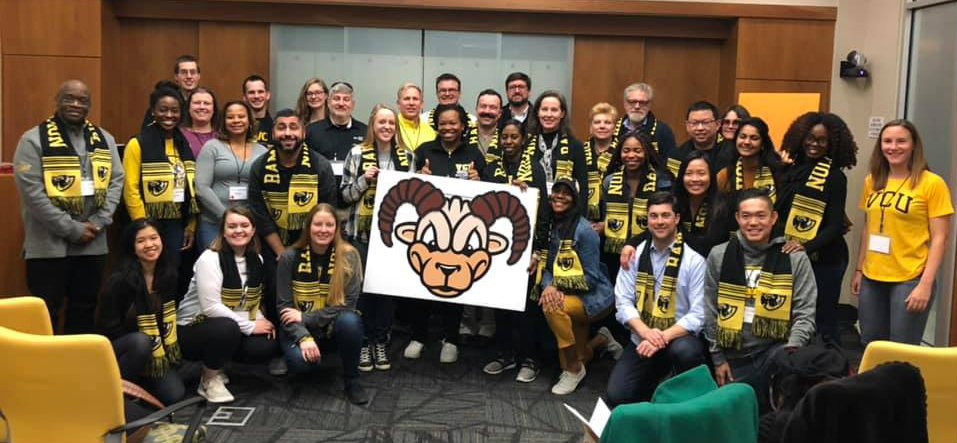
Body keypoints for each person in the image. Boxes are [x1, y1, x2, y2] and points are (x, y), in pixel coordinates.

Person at [14, 79, 124, 333]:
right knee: (45, 314)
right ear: (57, 101)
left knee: (84, 310)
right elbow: (33, 195)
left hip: (93, 243)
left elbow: (116, 181)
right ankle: (45, 372)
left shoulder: (104, 139)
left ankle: (75, 369)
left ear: (89, 105)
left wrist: (98, 221)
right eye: (69, 98)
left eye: (82, 100)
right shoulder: (33, 140)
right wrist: (72, 229)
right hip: (48, 246)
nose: (76, 104)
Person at [704, 189, 816, 413]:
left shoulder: (794, 256)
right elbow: (710, 311)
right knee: (735, 414)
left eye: (760, 215)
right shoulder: (719, 254)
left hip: (775, 351)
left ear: (773, 218)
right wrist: (718, 359)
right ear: (737, 219)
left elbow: (805, 314)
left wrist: (789, 356)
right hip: (733, 354)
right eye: (746, 216)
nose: (753, 222)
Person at [851, 119, 953, 345]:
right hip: (872, 277)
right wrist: (859, 269)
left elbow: (940, 238)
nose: (893, 147)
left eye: (901, 141)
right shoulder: (872, 181)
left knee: (902, 349)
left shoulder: (931, 183)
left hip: (909, 278)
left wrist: (925, 284)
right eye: (887, 141)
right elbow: (868, 227)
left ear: (914, 145)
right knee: (871, 344)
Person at [247, 108, 337, 351]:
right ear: (273, 132)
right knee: (275, 287)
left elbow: (327, 210)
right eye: (281, 127)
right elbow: (259, 213)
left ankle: (316, 337)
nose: (288, 133)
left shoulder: (320, 165)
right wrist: (282, 252)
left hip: (314, 242)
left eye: (293, 127)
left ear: (303, 132)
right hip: (272, 242)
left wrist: (305, 248)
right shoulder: (259, 167)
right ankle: (282, 346)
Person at [606, 192, 707, 406]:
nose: (659, 221)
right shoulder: (634, 255)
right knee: (617, 395)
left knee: (686, 352)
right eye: (653, 216)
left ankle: (677, 388)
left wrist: (661, 337)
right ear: (647, 219)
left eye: (665, 215)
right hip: (642, 338)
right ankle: (657, 380)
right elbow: (622, 302)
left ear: (676, 219)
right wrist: (645, 333)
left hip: (677, 339)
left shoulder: (694, 260)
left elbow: (698, 314)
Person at [405, 103, 488, 364]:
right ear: (436, 125)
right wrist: (418, 176)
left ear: (463, 126)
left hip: (460, 233)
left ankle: (450, 339)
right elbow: (407, 186)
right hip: (428, 231)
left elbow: (488, 192)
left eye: (454, 123)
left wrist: (479, 182)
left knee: (454, 287)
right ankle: (418, 336)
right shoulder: (423, 151)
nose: (448, 128)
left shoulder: (475, 153)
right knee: (420, 287)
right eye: (443, 123)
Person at [177, 206, 281, 402]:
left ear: (252, 230)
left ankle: (217, 363)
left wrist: (261, 321)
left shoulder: (256, 259)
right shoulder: (210, 258)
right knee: (227, 327)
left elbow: (250, 301)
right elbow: (211, 308)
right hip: (192, 327)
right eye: (232, 226)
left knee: (264, 345)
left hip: (227, 325)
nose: (238, 231)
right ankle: (208, 380)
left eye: (244, 225)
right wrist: (251, 326)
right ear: (223, 231)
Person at [340, 104, 414, 372]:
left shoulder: (407, 157)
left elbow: (412, 201)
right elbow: (345, 195)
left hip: (391, 238)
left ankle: (380, 340)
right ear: (373, 125)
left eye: (391, 123)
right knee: (359, 291)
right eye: (381, 122)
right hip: (358, 233)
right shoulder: (357, 153)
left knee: (384, 292)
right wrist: (363, 180)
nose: (386, 127)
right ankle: (361, 343)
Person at [776, 112, 858, 344]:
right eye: (810, 137)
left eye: (822, 140)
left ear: (832, 144)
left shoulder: (834, 177)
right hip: (791, 254)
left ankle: (829, 368)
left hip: (826, 258)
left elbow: (834, 226)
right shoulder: (788, 171)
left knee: (822, 320)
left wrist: (804, 246)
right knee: (791, 316)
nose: (814, 144)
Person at [276, 203, 369, 405]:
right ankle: (308, 355)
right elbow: (284, 307)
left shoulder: (349, 255)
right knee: (301, 365)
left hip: (332, 327)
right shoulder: (289, 257)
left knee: (351, 321)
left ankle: (352, 380)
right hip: (298, 329)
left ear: (336, 228)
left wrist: (306, 316)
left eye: (329, 225)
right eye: (318, 224)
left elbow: (349, 304)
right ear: (308, 227)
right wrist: (303, 336)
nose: (324, 230)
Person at [482, 119, 549, 382]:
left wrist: (539, 250)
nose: (509, 142)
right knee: (502, 305)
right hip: (498, 248)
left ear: (523, 140)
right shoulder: (490, 168)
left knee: (527, 308)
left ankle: (530, 359)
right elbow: (482, 203)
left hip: (527, 247)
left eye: (514, 137)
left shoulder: (535, 169)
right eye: (505, 137)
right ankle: (505, 355)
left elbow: (543, 213)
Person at [539, 178, 616, 395]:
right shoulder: (553, 226)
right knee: (583, 354)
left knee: (552, 307)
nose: (560, 196)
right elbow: (548, 266)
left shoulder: (585, 231)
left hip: (594, 297)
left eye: (567, 193)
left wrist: (556, 287)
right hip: (568, 293)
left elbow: (590, 278)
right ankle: (602, 339)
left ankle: (573, 370)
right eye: (557, 191)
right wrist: (548, 286)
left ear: (575, 200)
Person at [98, 219, 186, 405]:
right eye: (141, 241)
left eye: (154, 238)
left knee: (175, 395)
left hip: (155, 349)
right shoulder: (120, 281)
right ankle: (119, 394)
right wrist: (146, 348)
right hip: (123, 348)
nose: (149, 245)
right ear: (132, 247)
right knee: (140, 342)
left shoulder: (168, 274)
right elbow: (108, 329)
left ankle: (142, 381)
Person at [618, 151, 733, 273]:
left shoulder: (723, 207)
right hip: (675, 268)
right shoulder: (674, 201)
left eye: (701, 173)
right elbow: (657, 227)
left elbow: (709, 247)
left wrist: (679, 233)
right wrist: (631, 243)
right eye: (689, 174)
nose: (695, 179)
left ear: (711, 176)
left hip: (711, 269)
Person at [123, 86, 198, 269]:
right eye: (163, 110)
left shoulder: (184, 144)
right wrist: (143, 226)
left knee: (171, 271)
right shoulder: (137, 143)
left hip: (177, 221)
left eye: (174, 110)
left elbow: (191, 187)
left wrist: (191, 224)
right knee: (146, 271)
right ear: (153, 111)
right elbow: (130, 188)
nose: (169, 115)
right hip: (148, 220)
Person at [195, 101, 268, 248]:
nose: (236, 121)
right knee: (214, 267)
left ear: (249, 121)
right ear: (224, 121)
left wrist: (245, 221)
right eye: (230, 117)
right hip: (214, 223)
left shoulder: (262, 151)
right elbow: (201, 187)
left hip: (249, 226)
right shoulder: (212, 147)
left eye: (241, 116)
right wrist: (226, 217)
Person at [599, 131, 672, 281]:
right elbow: (606, 214)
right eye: (626, 151)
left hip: (651, 247)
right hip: (615, 251)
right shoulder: (609, 181)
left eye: (637, 150)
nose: (631, 155)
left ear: (646, 152)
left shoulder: (661, 181)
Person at [516, 91, 589, 212]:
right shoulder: (525, 143)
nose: (548, 114)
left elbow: (583, 187)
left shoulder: (575, 146)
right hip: (530, 208)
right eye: (544, 109)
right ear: (537, 113)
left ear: (562, 114)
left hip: (564, 212)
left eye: (554, 110)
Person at [717, 117, 782, 203]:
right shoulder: (725, 175)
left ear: (763, 144)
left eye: (754, 138)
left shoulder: (778, 173)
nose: (747, 142)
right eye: (742, 137)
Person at [305, 81, 367, 166]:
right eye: (336, 98)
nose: (341, 103)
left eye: (346, 99)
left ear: (353, 105)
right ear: (328, 103)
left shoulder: (365, 132)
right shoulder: (312, 131)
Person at [668, 101, 732, 176]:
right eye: (694, 123)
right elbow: (674, 185)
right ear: (687, 125)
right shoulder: (676, 156)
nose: (700, 128)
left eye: (706, 122)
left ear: (718, 124)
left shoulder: (732, 152)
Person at [140, 56, 201, 132]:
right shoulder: (162, 102)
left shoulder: (204, 103)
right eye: (184, 72)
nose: (189, 76)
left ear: (198, 76)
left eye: (192, 72)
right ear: (176, 77)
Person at [618, 83, 677, 158]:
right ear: (625, 104)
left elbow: (670, 162)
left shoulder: (663, 131)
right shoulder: (613, 128)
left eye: (642, 103)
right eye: (632, 102)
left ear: (649, 105)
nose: (637, 106)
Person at [583, 103, 620, 221]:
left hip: (615, 216)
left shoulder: (623, 152)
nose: (602, 126)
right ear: (591, 126)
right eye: (597, 122)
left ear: (615, 127)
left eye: (607, 123)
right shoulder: (580, 151)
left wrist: (605, 224)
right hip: (584, 215)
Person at [179, 86, 219, 158]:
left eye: (206, 103)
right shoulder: (179, 135)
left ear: (214, 109)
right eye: (197, 103)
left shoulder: (222, 137)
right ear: (188, 108)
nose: (202, 107)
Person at [395, 82, 436, 152]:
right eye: (407, 99)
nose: (411, 103)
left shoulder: (431, 132)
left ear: (422, 104)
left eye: (415, 99)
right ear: (398, 104)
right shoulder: (390, 128)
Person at [242, 75, 273, 144]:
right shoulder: (238, 126)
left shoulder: (275, 125)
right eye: (251, 92)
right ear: (244, 97)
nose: (256, 96)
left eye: (260, 92)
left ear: (268, 95)